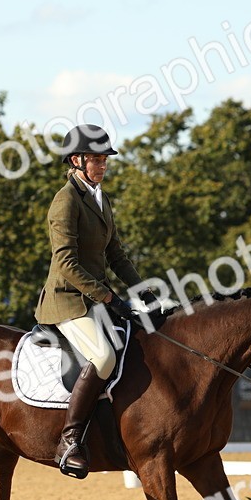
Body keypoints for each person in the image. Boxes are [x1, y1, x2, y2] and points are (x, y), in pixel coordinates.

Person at [35, 124, 155, 479]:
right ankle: (70, 440)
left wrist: (142, 290)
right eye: (97, 160)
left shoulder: (101, 198)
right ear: (77, 160)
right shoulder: (66, 201)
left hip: (95, 300)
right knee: (103, 356)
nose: (103, 166)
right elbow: (67, 263)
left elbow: (116, 255)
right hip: (67, 301)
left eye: (105, 160)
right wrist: (110, 297)